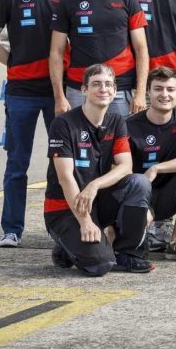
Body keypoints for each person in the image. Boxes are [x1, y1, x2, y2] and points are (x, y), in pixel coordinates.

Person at [0, 0, 71, 248]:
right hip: (20, 93)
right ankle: (12, 229)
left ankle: (59, 227)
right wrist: (14, 65)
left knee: (61, 162)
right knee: (17, 163)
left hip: (56, 92)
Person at [44, 63, 153, 275]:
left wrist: (95, 185)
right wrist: (85, 221)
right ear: (84, 90)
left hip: (96, 201)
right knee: (100, 265)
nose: (103, 89)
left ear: (114, 91)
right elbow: (66, 177)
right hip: (64, 208)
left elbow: (125, 167)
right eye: (96, 84)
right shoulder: (63, 124)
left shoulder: (116, 121)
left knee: (139, 182)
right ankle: (66, 245)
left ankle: (127, 254)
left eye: (108, 85)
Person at [49, 0, 149, 118]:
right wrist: (59, 97)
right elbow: (56, 52)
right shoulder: (68, 2)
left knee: (120, 143)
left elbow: (141, 49)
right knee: (79, 143)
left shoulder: (128, 0)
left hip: (119, 88)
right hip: (80, 89)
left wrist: (140, 93)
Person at [126, 67, 176, 262]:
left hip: (169, 194)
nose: (165, 94)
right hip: (140, 196)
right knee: (128, 246)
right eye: (158, 89)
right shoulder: (130, 125)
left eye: (170, 89)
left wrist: (157, 167)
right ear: (148, 92)